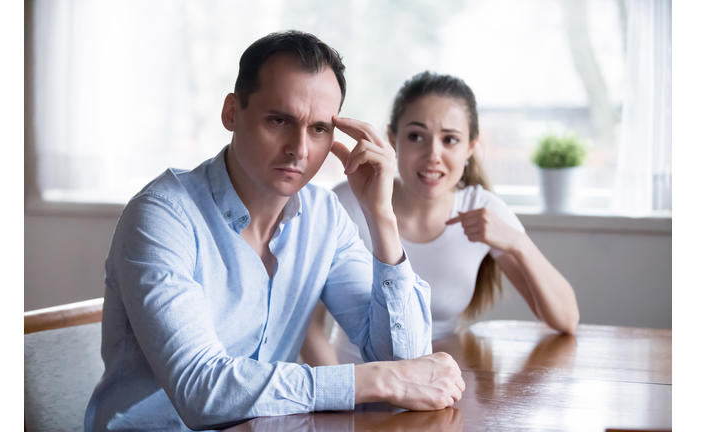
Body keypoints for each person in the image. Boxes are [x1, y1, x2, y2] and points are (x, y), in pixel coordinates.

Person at [84, 33, 465, 431]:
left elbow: (408, 364)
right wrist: (375, 380)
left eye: (319, 129)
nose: (299, 148)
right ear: (232, 112)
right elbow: (202, 391)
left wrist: (381, 216)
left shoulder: (324, 217)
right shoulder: (161, 217)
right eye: (279, 120)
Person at [301, 71, 580, 367]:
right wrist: (343, 393)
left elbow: (566, 319)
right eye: (416, 136)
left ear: (470, 148)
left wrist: (518, 242)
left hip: (440, 393)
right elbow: (309, 327)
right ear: (393, 140)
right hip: (359, 385)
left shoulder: (483, 209)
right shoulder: (347, 201)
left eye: (450, 140)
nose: (433, 154)